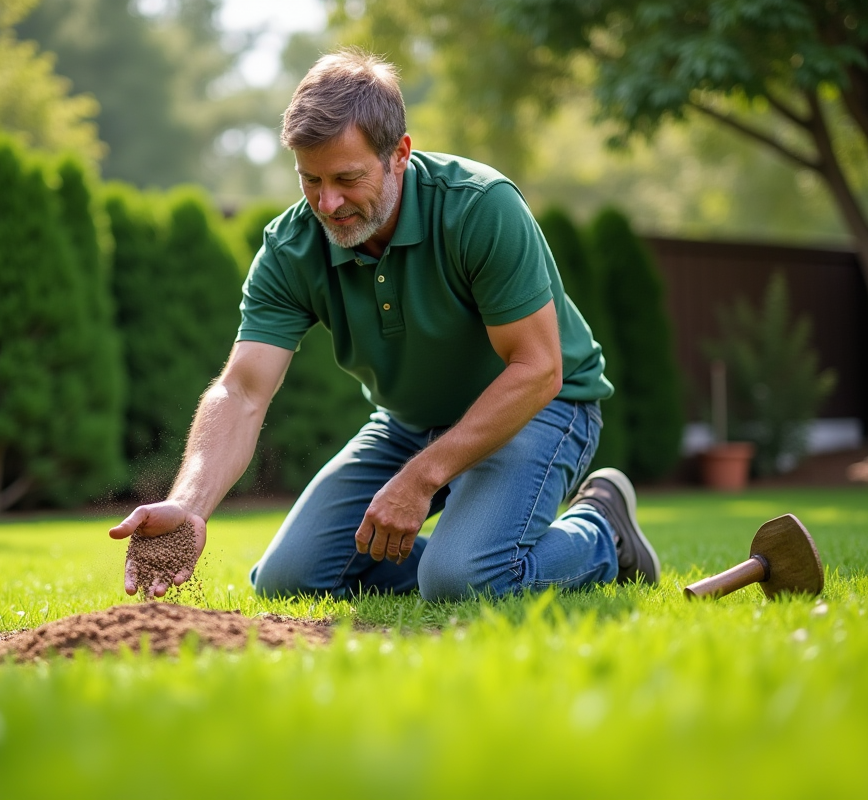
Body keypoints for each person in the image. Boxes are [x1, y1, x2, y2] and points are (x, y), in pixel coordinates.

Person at [109, 48, 660, 601]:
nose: (327, 203)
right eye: (310, 180)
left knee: (463, 583)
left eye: (347, 178)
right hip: (408, 424)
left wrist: (421, 479)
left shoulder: (478, 207)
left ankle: (604, 533)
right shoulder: (291, 249)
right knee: (290, 580)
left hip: (540, 407)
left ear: (399, 154)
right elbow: (242, 389)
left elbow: (539, 369)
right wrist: (189, 502)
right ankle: (453, 559)